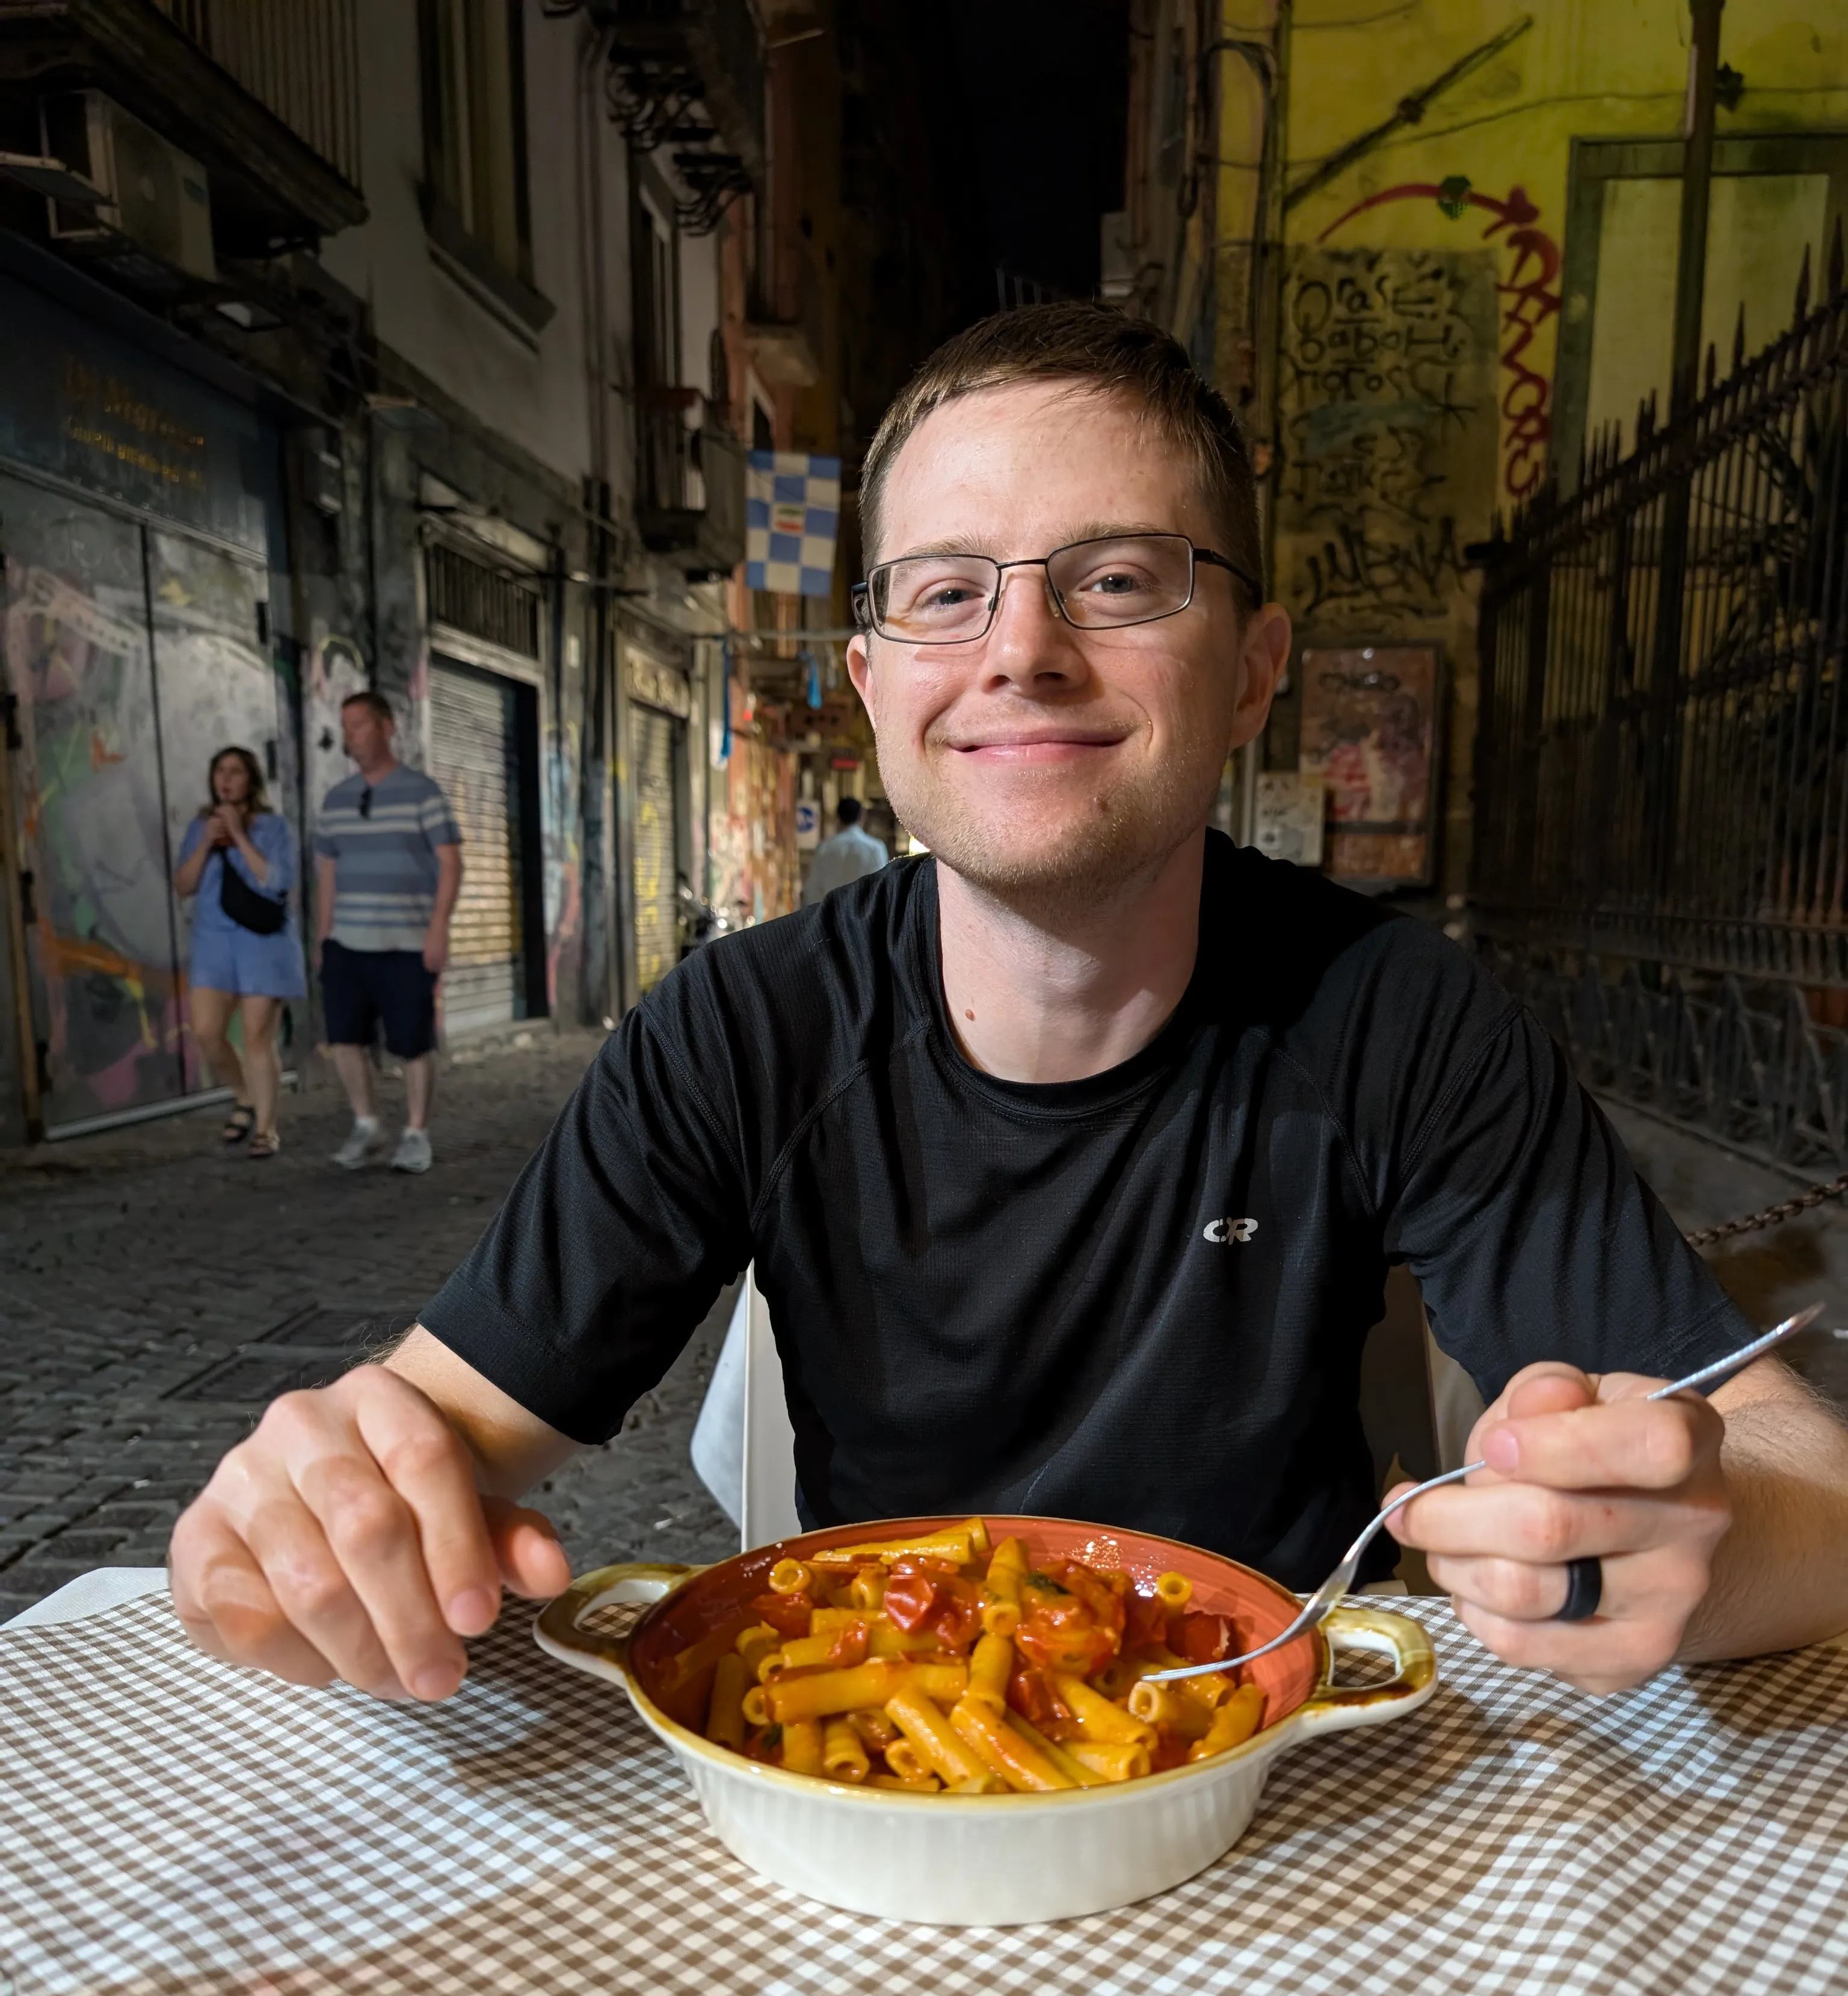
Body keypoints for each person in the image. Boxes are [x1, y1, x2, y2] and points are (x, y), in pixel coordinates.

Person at [172, 303, 1848, 1710]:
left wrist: (1709, 1540)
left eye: (1118, 580)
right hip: (875, 1753)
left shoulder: (1401, 1016)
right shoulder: (739, 1030)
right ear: (877, 682)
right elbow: (441, 1438)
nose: (1023, 648)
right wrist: (308, 1516)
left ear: (1257, 668)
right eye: (947, 588)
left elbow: (1803, 1473)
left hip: (1269, 1772)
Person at [315, 690, 463, 1175]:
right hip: (347, 943)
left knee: (412, 1042)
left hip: (406, 943)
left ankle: (417, 1133)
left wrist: (437, 930)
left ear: (386, 727)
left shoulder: (422, 792)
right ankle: (366, 1124)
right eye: (345, 725)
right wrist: (324, 938)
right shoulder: (336, 801)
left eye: (358, 724)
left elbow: (450, 863)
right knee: (345, 1040)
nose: (350, 735)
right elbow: (328, 874)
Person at [173, 746, 306, 1159]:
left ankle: (266, 1129)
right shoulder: (201, 827)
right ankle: (244, 1096)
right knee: (207, 1032)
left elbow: (277, 881)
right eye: (219, 772)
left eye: (235, 772)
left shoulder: (273, 827)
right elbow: (183, 885)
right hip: (214, 944)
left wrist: (240, 836)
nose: (226, 780)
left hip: (262, 944)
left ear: (251, 781)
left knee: (256, 1037)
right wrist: (208, 843)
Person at [800, 795, 889, 904]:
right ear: (862, 816)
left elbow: (813, 890)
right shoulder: (875, 848)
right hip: (863, 914)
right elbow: (880, 889)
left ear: (838, 818)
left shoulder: (824, 849)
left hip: (830, 914)